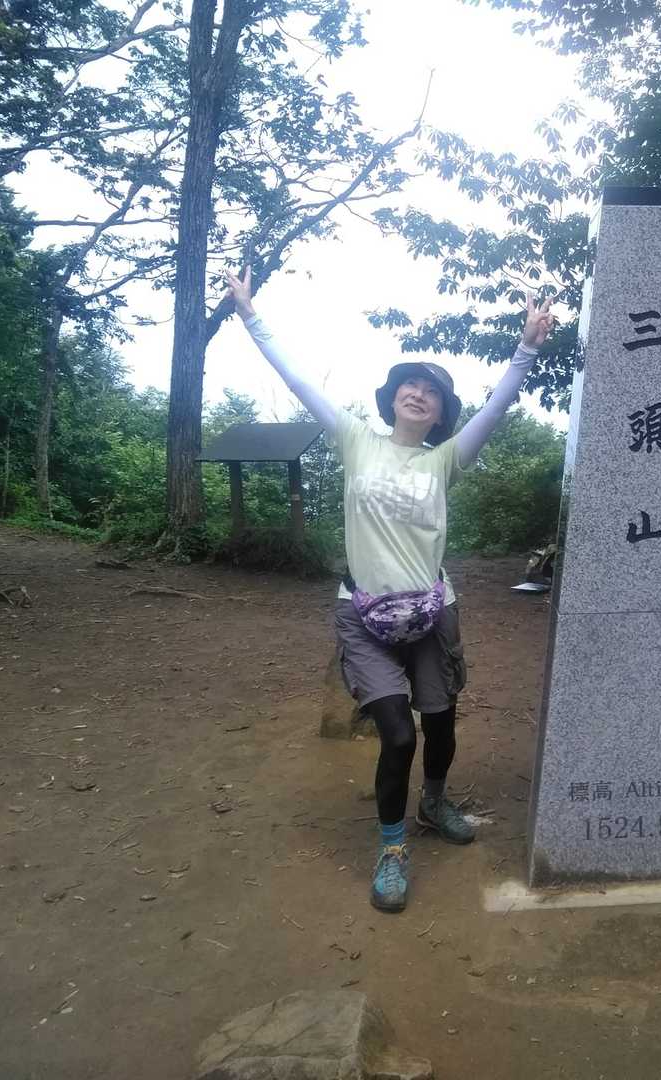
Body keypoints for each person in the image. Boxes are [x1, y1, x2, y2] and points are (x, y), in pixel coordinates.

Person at [222, 267, 554, 913]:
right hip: (363, 612)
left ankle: (434, 800)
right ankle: (394, 847)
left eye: (432, 392)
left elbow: (496, 407)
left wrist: (527, 347)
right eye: (410, 385)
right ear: (392, 396)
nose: (419, 394)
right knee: (398, 735)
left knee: (442, 721)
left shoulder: (445, 458)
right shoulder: (356, 440)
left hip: (432, 609)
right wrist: (250, 316)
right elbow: (298, 382)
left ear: (441, 412)